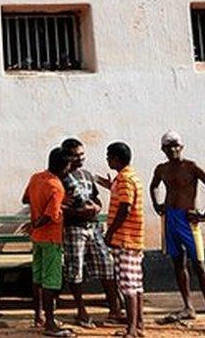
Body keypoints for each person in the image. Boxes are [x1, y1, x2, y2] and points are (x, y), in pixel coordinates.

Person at [150, 131, 205, 335]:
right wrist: (157, 205)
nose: (173, 149)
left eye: (176, 145)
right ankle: (188, 307)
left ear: (181, 147)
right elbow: (153, 186)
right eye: (169, 146)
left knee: (199, 265)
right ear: (163, 149)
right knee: (177, 262)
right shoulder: (162, 169)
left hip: (188, 220)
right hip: (170, 219)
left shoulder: (191, 167)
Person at [59, 138, 124, 328]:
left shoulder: (86, 175)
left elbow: (96, 198)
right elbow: (57, 206)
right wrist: (77, 212)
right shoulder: (60, 177)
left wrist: (95, 207)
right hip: (74, 228)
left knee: (107, 265)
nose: (81, 159)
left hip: (93, 226)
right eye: (76, 155)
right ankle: (81, 312)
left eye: (82, 155)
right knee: (75, 269)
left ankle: (115, 310)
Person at [22, 147, 74, 338]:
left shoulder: (36, 177)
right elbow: (50, 216)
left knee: (38, 278)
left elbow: (25, 198)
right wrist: (39, 221)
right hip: (51, 237)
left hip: (37, 239)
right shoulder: (56, 186)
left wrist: (36, 218)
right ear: (64, 166)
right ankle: (50, 323)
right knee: (51, 281)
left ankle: (38, 316)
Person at [104, 141, 145, 338]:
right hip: (134, 238)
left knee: (128, 285)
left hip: (124, 239)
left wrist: (110, 232)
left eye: (109, 156)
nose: (107, 159)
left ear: (117, 159)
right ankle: (139, 326)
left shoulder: (125, 180)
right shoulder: (130, 177)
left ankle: (131, 330)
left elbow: (125, 207)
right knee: (136, 285)